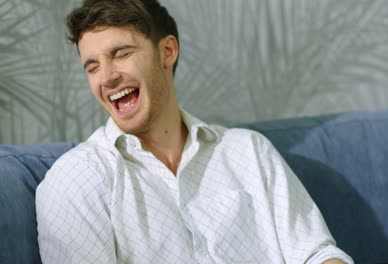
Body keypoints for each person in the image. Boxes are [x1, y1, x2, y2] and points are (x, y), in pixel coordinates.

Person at [35, 0, 353, 263]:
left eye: (121, 54)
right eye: (92, 66)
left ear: (167, 52)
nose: (106, 77)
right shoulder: (76, 181)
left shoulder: (248, 151)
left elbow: (316, 253)